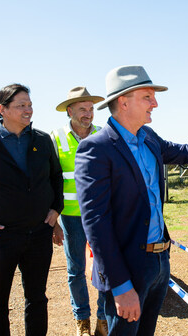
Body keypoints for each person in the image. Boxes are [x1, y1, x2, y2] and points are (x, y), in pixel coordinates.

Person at [75, 65, 188, 335]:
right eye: (147, 97)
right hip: (127, 266)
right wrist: (121, 287)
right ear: (123, 101)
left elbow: (185, 152)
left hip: (158, 263)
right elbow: (96, 224)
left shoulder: (148, 138)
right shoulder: (95, 149)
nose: (155, 103)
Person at [0, 83, 63, 336]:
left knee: (37, 299)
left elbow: (56, 177)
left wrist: (55, 209)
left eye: (30, 105)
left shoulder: (42, 140)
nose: (28, 110)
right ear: (2, 109)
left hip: (38, 235)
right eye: (21, 106)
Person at [50, 87, 108, 336]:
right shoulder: (55, 138)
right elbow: (49, 180)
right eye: (83, 109)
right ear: (70, 111)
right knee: (75, 270)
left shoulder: (104, 135)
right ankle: (82, 320)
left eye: (91, 108)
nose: (88, 114)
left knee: (107, 268)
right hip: (71, 217)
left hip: (102, 215)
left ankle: (103, 318)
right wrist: (53, 220)